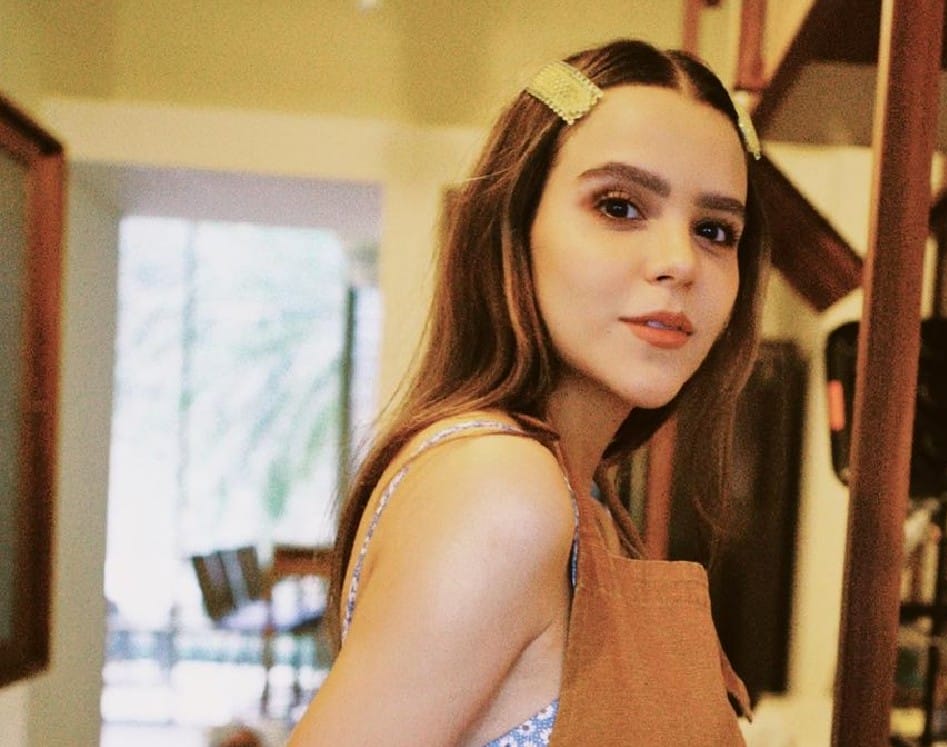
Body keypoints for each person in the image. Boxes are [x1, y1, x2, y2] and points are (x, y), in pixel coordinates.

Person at [289, 38, 769, 746]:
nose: (679, 262)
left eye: (714, 230)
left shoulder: (583, 499)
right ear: (515, 227)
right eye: (619, 206)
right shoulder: (502, 490)